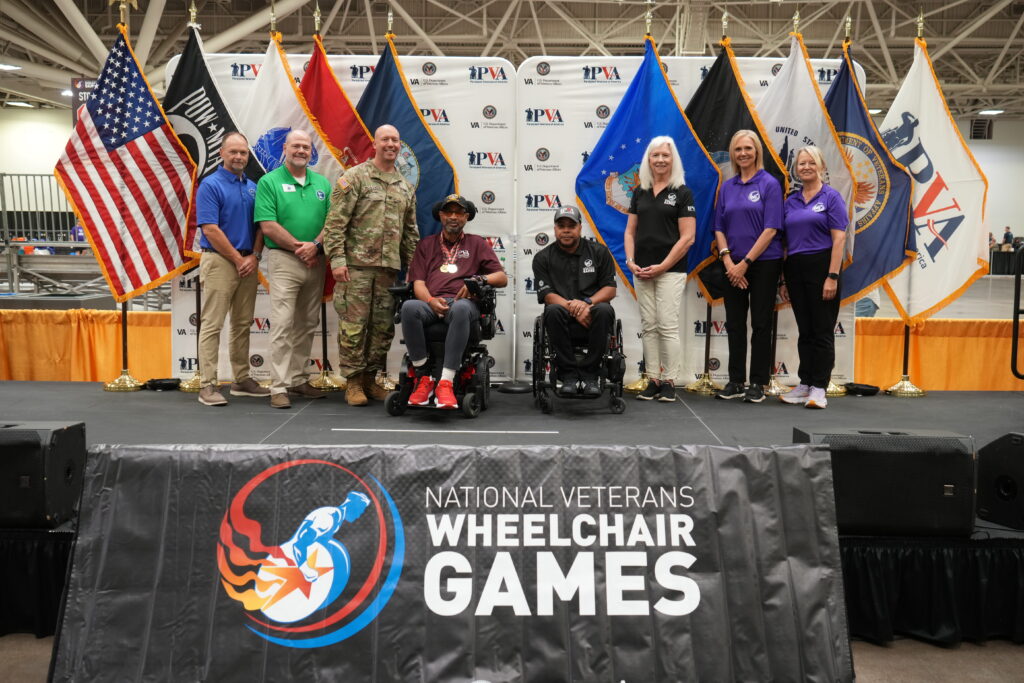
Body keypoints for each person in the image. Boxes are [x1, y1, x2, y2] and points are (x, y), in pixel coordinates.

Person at [323, 125, 418, 406]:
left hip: (389, 271)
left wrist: (415, 271)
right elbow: (335, 224)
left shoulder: (405, 187)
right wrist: (337, 260)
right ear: (374, 144)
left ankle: (370, 379)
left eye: (395, 140)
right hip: (356, 268)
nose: (390, 144)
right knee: (354, 328)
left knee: (382, 329)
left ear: (399, 146)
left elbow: (410, 233)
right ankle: (353, 383)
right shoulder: (355, 177)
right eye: (385, 139)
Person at [401, 195, 508, 409]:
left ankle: (446, 383)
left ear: (466, 217)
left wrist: (479, 280)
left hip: (463, 304)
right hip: (431, 303)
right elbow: (418, 284)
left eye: (458, 213)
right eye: (448, 212)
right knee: (409, 307)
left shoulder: (477, 243)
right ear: (441, 215)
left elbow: (501, 278)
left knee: (460, 308)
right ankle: (423, 378)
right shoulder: (426, 245)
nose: (453, 217)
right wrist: (430, 300)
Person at [254, 129, 332, 409]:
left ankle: (298, 378)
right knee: (283, 323)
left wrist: (315, 246)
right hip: (285, 260)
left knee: (307, 323)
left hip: (316, 261)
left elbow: (332, 222)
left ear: (311, 152)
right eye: (296, 146)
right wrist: (302, 249)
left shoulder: (322, 183)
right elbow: (268, 225)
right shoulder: (269, 182)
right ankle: (278, 386)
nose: (301, 151)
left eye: (306, 147)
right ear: (285, 148)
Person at [195, 132, 269, 406]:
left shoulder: (253, 187)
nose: (239, 157)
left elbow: (261, 226)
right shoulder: (210, 185)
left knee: (242, 323)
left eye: (243, 153)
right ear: (221, 153)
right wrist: (239, 260)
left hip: (248, 261)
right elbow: (210, 229)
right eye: (233, 152)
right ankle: (207, 385)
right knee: (212, 324)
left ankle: (241, 379)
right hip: (220, 261)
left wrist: (255, 256)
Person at [713, 130, 784, 404]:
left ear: (757, 152)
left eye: (748, 148)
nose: (743, 153)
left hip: (763, 263)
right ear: (733, 153)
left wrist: (745, 264)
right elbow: (719, 227)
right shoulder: (727, 186)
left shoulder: (769, 184)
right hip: (731, 265)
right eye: (738, 149)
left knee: (761, 323)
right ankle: (735, 381)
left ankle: (757, 382)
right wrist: (729, 262)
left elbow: (771, 229)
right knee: (734, 324)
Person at [624, 136, 696, 403]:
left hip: (671, 270)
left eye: (665, 155)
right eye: (655, 155)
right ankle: (653, 379)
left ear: (673, 159)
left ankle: (669, 382)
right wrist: (630, 261)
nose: (660, 160)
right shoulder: (639, 192)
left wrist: (663, 266)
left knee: (667, 326)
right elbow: (630, 232)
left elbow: (688, 238)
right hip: (641, 270)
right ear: (648, 159)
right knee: (649, 326)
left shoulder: (683, 192)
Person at [779, 146, 848, 409]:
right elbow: (786, 244)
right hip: (796, 268)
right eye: (801, 163)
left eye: (811, 162)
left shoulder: (831, 198)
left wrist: (832, 276)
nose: (806, 167)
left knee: (822, 331)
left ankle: (819, 387)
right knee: (805, 331)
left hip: (823, 267)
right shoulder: (791, 201)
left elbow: (839, 239)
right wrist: (784, 279)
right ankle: (805, 383)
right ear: (796, 169)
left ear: (821, 166)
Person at [533, 205, 617, 397]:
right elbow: (548, 295)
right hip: (561, 317)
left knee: (604, 310)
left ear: (579, 227)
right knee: (552, 309)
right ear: (555, 229)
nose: (566, 230)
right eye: (561, 226)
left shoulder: (599, 252)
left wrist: (587, 303)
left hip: (593, 316)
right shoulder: (542, 257)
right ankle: (568, 375)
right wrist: (576, 309)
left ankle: (591, 375)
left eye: (571, 226)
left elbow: (610, 289)